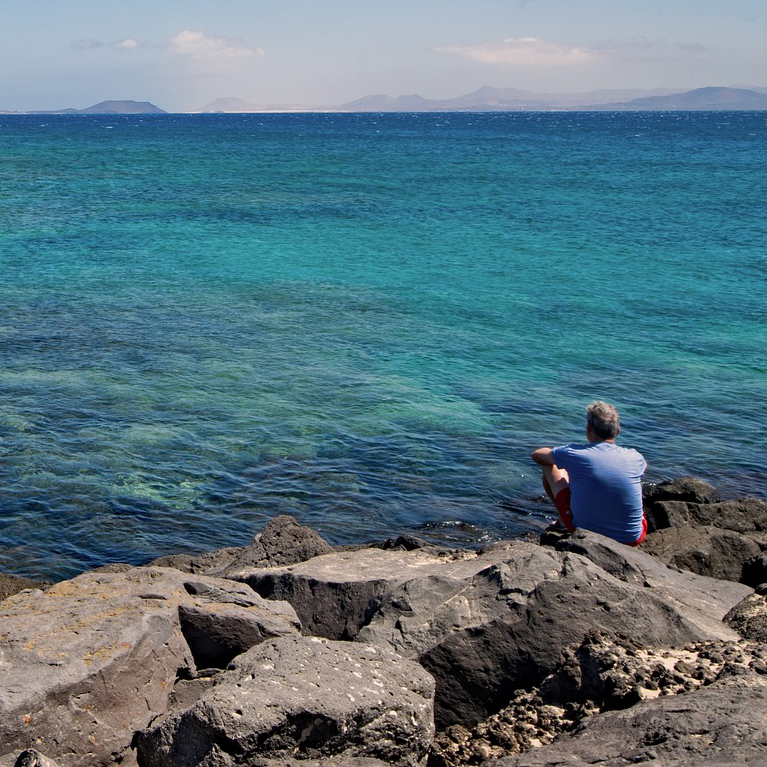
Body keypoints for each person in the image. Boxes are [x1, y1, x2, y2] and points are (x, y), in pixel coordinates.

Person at [531, 400, 647, 545]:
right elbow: (643, 467)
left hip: (587, 534)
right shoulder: (635, 457)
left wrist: (565, 460)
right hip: (633, 537)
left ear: (589, 428)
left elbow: (537, 455)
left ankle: (562, 519)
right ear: (618, 431)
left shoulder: (575, 453)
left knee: (550, 466)